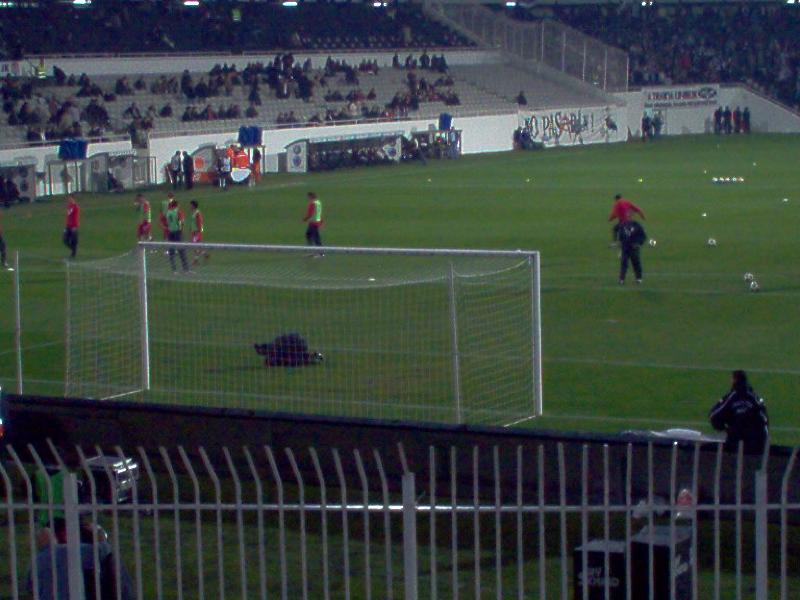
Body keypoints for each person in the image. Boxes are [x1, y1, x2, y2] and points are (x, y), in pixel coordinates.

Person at [709, 370, 769, 454]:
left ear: (734, 380)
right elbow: (765, 420)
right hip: (757, 445)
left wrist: (725, 428)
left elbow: (714, 416)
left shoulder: (732, 397)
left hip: (735, 444)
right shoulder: (755, 398)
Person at [617, 218, 647, 285]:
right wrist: (620, 248)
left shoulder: (637, 225)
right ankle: (621, 279)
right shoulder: (622, 226)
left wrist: (638, 243)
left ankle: (639, 278)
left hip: (634, 248)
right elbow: (620, 238)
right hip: (625, 248)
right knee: (624, 264)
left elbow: (643, 236)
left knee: (636, 263)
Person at [165, 199, 189, 273]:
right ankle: (186, 269)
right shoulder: (178, 212)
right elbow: (182, 222)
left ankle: (174, 270)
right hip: (178, 232)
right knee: (181, 251)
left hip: (170, 232)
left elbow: (167, 222)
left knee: (171, 251)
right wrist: (182, 229)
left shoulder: (168, 212)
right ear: (177, 205)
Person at [189, 200, 208, 265]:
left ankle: (196, 260)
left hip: (196, 232)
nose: (190, 206)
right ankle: (205, 254)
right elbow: (193, 222)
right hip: (194, 232)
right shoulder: (194, 213)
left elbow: (200, 223)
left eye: (191, 205)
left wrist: (200, 231)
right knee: (198, 246)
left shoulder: (197, 213)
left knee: (195, 246)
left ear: (193, 206)